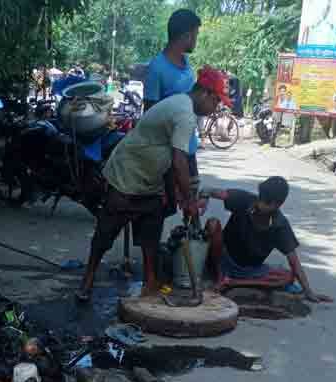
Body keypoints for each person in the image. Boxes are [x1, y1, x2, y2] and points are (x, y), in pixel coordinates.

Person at [77, 67, 229, 302]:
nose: (215, 108)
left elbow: (171, 157)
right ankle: (87, 281)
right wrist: (188, 200)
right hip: (126, 177)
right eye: (217, 101)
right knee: (105, 234)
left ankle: (150, 282)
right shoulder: (185, 113)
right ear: (205, 94)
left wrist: (178, 193)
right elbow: (178, 160)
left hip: (149, 180)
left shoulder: (182, 104)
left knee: (151, 232)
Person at [201, 176, 333, 303]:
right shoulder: (244, 199)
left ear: (277, 205)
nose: (260, 204)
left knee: (288, 277)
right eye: (260, 198)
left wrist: (308, 291)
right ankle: (220, 276)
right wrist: (204, 197)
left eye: (265, 202)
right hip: (222, 258)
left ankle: (231, 282)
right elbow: (207, 189)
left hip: (251, 271)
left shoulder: (280, 225)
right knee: (213, 224)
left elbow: (294, 261)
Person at [144, 9, 202, 207]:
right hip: (168, 154)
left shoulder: (188, 68)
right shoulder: (157, 68)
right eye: (195, 35)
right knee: (164, 208)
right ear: (186, 36)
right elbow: (149, 115)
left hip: (189, 149)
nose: (196, 40)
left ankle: (191, 237)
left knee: (193, 206)